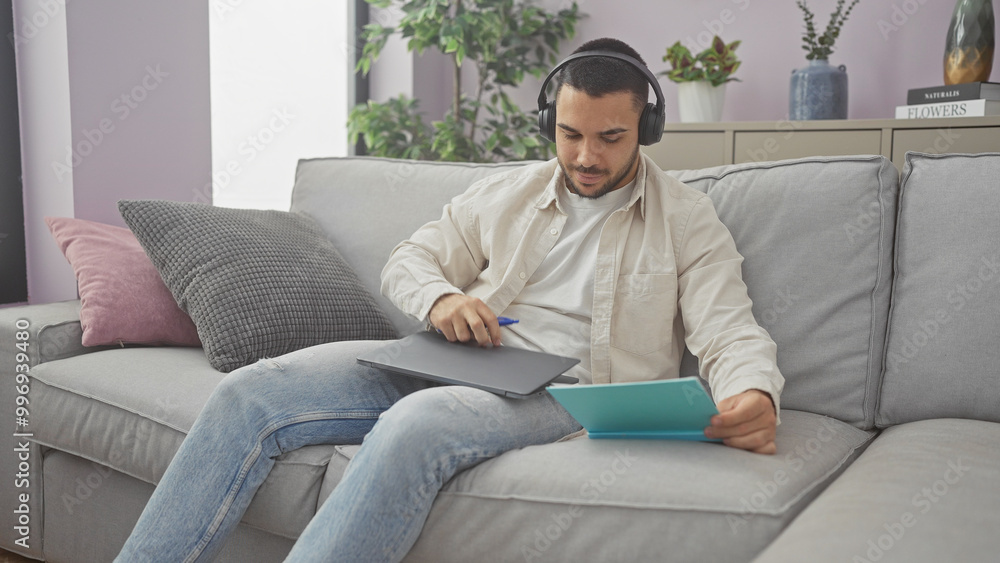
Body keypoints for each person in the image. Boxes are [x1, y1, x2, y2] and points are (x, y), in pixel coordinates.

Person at [115, 37, 783, 563]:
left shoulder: (687, 218)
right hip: (455, 355)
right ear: (551, 121)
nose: (584, 156)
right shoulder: (510, 192)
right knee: (248, 393)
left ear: (647, 129)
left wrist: (754, 393)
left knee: (414, 426)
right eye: (570, 134)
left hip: (561, 390)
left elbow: (729, 329)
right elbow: (413, 258)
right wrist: (439, 300)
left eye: (610, 138)